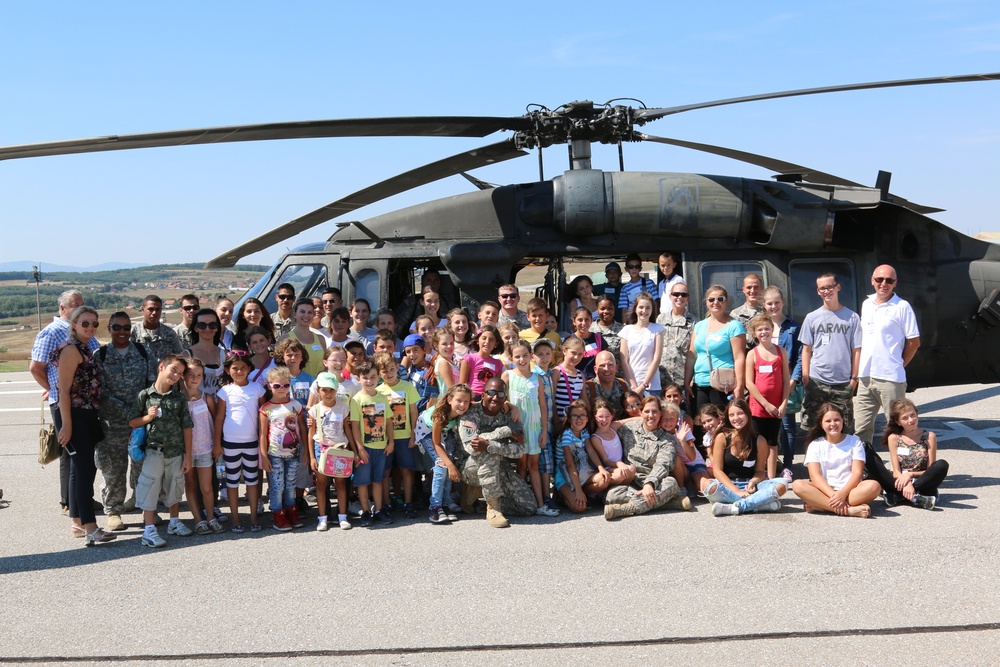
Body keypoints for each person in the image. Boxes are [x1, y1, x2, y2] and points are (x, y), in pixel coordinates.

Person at [53, 305, 116, 545]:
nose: (90, 327)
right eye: (85, 323)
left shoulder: (87, 347)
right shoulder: (71, 350)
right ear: (74, 325)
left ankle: (78, 522)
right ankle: (91, 528)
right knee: (84, 470)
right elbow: (64, 391)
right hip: (74, 415)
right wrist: (66, 426)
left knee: (82, 469)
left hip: (87, 414)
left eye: (94, 323)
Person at [128, 354, 195, 547]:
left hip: (175, 452)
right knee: (150, 487)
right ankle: (149, 530)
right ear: (161, 367)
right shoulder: (145, 395)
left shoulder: (179, 398)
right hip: (153, 451)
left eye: (180, 373)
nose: (176, 375)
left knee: (175, 485)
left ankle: (174, 522)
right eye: (173, 369)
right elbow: (133, 421)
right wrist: (147, 418)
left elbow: (187, 426)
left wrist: (187, 456)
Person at [96, 311, 154, 532]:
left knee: (142, 466)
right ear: (109, 329)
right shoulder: (99, 355)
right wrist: (127, 410)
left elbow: (152, 383)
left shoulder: (143, 352)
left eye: (126, 328)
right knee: (113, 470)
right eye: (117, 327)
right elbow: (100, 390)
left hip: (140, 422)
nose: (122, 332)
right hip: (112, 424)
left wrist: (141, 411)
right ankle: (113, 511)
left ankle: (143, 507)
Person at [853, 264, 921, 447]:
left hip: (890, 378)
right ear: (872, 281)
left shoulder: (902, 307)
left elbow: (914, 342)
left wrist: (899, 364)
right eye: (879, 279)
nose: (884, 283)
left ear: (895, 283)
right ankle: (864, 466)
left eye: (889, 280)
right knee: (861, 428)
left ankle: (900, 469)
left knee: (897, 427)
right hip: (866, 377)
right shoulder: (867, 304)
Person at [458, 378, 537, 528]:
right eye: (491, 392)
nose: (495, 397)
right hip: (469, 467)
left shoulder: (510, 416)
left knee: (528, 507)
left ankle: (478, 495)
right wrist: (504, 432)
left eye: (500, 394)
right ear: (483, 395)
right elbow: (471, 447)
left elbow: (519, 450)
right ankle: (493, 508)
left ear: (505, 398)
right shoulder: (470, 414)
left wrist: (490, 444)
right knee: (489, 454)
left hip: (500, 467)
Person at [791, 402, 882, 518]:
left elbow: (857, 473)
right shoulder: (815, 445)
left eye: (837, 420)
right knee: (797, 485)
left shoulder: (854, 442)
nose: (833, 424)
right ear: (821, 424)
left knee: (874, 486)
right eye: (828, 421)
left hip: (850, 491)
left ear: (843, 421)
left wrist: (842, 493)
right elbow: (815, 476)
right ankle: (849, 510)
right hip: (823, 491)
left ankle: (820, 506)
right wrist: (834, 495)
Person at [603, 397, 685, 519]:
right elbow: (612, 426)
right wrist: (638, 418)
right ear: (640, 412)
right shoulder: (629, 428)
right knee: (612, 495)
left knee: (671, 483)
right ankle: (666, 503)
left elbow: (663, 464)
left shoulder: (667, 439)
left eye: (655, 412)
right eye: (647, 411)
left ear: (660, 413)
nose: (651, 415)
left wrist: (649, 484)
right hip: (631, 483)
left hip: (655, 483)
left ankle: (627, 508)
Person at [799, 273, 862, 432]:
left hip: (842, 382)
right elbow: (806, 349)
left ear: (838, 287)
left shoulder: (852, 317)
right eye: (822, 288)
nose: (826, 291)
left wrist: (854, 380)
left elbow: (857, 350)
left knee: (842, 429)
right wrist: (806, 377)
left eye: (829, 287)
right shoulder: (812, 318)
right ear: (818, 292)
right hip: (817, 381)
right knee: (813, 429)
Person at [705, 399, 788, 516]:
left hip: (750, 486)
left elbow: (759, 471)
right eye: (732, 415)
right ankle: (759, 505)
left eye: (740, 413)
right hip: (728, 486)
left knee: (782, 484)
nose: (736, 418)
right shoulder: (722, 437)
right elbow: (717, 470)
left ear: (748, 414)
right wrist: (737, 491)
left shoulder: (759, 440)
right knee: (707, 485)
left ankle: (737, 507)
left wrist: (753, 482)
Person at [213, 351, 267, 532]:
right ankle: (235, 519)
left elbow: (264, 416)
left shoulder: (257, 389)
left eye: (244, 368)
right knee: (232, 481)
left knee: (252, 481)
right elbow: (219, 418)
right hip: (230, 443)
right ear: (228, 370)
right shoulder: (224, 391)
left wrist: (263, 443)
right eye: (235, 368)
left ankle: (253, 518)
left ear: (249, 369)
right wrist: (217, 443)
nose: (239, 371)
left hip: (252, 442)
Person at [866, 399, 947, 509]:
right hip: (899, 481)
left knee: (942, 464)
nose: (911, 420)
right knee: (867, 452)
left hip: (922, 481)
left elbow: (930, 469)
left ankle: (899, 496)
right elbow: (896, 471)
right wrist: (906, 483)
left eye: (913, 415)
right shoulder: (894, 438)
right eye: (905, 418)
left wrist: (910, 475)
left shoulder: (929, 436)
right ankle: (916, 498)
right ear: (898, 422)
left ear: (917, 414)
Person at [502, 340, 552, 517]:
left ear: (531, 356)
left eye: (525, 355)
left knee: (534, 465)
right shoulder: (508, 376)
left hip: (535, 427)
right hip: (519, 428)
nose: (521, 359)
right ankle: (521, 502)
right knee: (521, 465)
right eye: (517, 356)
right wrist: (512, 407)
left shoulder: (536, 378)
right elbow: (501, 400)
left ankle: (540, 504)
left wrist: (544, 430)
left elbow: (543, 406)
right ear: (511, 358)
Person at [415, 383, 473, 524]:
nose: (463, 405)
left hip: (445, 433)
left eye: (466, 401)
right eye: (459, 401)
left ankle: (445, 505)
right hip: (427, 433)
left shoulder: (464, 408)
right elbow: (436, 444)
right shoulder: (440, 416)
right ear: (449, 400)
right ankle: (434, 507)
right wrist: (450, 465)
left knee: (449, 466)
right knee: (442, 465)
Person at [259, 366, 308, 531]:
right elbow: (262, 434)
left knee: (290, 485)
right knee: (277, 485)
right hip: (274, 455)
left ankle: (291, 511)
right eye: (277, 386)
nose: (282, 389)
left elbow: (302, 429)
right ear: (269, 386)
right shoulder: (266, 409)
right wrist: (264, 457)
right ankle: (278, 515)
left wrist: (306, 451)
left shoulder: (296, 406)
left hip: (293, 454)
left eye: (286, 385)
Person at [308, 371, 357, 531]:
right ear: (318, 391)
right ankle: (322, 518)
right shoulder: (315, 410)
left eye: (331, 390)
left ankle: (342, 516)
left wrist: (354, 451)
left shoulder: (343, 408)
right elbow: (311, 435)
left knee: (341, 483)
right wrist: (311, 458)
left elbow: (348, 431)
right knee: (321, 485)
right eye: (324, 390)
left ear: (336, 390)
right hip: (321, 449)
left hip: (340, 450)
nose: (328, 394)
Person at [761, 286, 802, 480]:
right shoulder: (761, 326)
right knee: (765, 426)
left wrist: (794, 380)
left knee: (787, 426)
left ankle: (787, 466)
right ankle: (766, 464)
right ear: (764, 305)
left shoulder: (793, 327)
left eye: (777, 302)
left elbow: (801, 356)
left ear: (783, 302)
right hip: (766, 385)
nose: (773, 306)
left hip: (788, 384)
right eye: (769, 303)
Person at [744, 312, 790, 479]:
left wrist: (783, 403)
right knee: (758, 443)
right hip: (758, 407)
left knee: (772, 443)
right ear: (755, 333)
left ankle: (771, 478)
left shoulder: (781, 352)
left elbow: (786, 380)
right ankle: (758, 475)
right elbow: (749, 383)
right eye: (760, 329)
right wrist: (765, 404)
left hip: (776, 407)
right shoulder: (752, 354)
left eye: (767, 328)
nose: (764, 332)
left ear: (772, 330)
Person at [181, 358, 225, 535]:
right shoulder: (178, 400)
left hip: (205, 449)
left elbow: (216, 422)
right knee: (190, 485)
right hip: (186, 452)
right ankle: (198, 520)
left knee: (207, 487)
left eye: (199, 375)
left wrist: (217, 445)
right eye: (191, 375)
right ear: (183, 376)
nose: (195, 378)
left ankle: (211, 517)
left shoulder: (207, 398)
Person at [375, 352, 421, 519]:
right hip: (385, 438)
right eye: (384, 371)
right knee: (385, 471)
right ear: (379, 373)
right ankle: (386, 503)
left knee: (406, 470)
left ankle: (408, 502)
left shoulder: (407, 387)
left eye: (392, 369)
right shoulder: (378, 390)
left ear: (397, 368)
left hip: (404, 435)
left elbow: (413, 411)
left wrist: (414, 433)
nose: (389, 373)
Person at [686, 285, 746, 411]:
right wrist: (686, 382)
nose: (716, 302)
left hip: (723, 384)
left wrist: (740, 386)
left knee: (722, 424)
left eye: (720, 299)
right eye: (711, 299)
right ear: (706, 302)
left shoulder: (734, 326)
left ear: (726, 301)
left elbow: (739, 357)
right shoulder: (699, 326)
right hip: (700, 383)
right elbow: (692, 355)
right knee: (701, 424)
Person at [349, 359, 395, 527]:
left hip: (381, 447)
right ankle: (366, 511)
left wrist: (391, 442)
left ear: (378, 378)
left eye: (373, 377)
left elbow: (389, 422)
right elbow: (354, 426)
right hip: (366, 449)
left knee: (378, 480)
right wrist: (360, 448)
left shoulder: (383, 398)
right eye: (365, 377)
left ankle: (379, 510)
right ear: (359, 378)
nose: (369, 381)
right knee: (362, 482)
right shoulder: (356, 400)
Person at [586, 399, 637, 495]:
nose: (604, 420)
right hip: (609, 467)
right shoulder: (596, 438)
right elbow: (605, 461)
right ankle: (602, 492)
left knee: (632, 469)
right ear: (594, 417)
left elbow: (628, 420)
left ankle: (615, 491)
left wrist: (643, 418)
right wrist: (619, 464)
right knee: (620, 475)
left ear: (612, 416)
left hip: (619, 466)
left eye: (607, 416)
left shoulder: (613, 427)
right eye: (600, 417)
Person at [555, 400, 597, 514]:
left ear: (587, 418)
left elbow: (591, 451)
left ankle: (581, 492)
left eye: (582, 416)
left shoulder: (584, 432)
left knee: (603, 479)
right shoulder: (567, 435)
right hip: (564, 473)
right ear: (569, 419)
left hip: (580, 469)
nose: (579, 419)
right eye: (575, 416)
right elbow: (569, 464)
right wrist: (578, 490)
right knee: (579, 508)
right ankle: (564, 495)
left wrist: (601, 468)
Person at [619, 292, 666, 396]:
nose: (644, 311)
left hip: (651, 387)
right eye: (641, 307)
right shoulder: (626, 330)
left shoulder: (657, 329)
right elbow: (624, 359)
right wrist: (633, 386)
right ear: (635, 308)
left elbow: (656, 359)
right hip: (631, 386)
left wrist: (643, 385)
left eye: (648, 308)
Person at [656, 281, 695, 390]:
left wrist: (691, 379)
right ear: (670, 296)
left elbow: (695, 352)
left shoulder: (694, 322)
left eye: (684, 295)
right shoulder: (661, 319)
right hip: (662, 377)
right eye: (676, 294)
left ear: (688, 298)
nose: (679, 297)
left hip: (682, 380)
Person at [182, 308, 227, 397]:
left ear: (217, 328)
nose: (207, 329)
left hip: (222, 407)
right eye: (202, 325)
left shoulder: (225, 355)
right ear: (196, 328)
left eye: (212, 325)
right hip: (197, 407)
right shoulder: (186, 355)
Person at [131, 294, 182, 366]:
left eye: (157, 309)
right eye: (150, 309)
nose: (154, 313)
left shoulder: (170, 334)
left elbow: (179, 359)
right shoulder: (133, 332)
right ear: (143, 310)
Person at [284, 297, 327, 378]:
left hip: (318, 387)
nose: (306, 315)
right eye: (302, 312)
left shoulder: (321, 339)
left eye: (310, 312)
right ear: (294, 313)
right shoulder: (285, 338)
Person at [459, 325, 503, 400]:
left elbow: (496, 386)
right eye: (484, 338)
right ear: (477, 341)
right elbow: (462, 385)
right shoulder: (469, 359)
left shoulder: (498, 364)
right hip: (473, 397)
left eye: (491, 340)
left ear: (496, 344)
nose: (487, 342)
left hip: (489, 398)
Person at [552, 336, 588, 424]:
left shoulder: (580, 375)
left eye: (580, 354)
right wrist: (556, 422)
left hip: (575, 423)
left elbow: (584, 399)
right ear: (564, 351)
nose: (576, 357)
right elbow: (551, 400)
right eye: (573, 353)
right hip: (561, 422)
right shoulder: (556, 372)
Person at [585, 351, 628, 418]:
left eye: (610, 365)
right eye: (602, 365)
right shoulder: (588, 388)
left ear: (616, 368)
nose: (607, 369)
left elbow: (635, 411)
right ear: (595, 369)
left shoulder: (623, 385)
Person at [617, 254, 656, 324]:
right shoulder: (625, 288)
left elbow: (656, 303)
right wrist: (625, 324)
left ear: (640, 268)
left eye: (636, 267)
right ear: (626, 269)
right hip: (632, 323)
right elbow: (624, 309)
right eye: (631, 267)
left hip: (648, 321)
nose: (634, 269)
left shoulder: (649, 283)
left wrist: (655, 320)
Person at [570, 307, 606, 380]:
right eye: (580, 320)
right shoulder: (569, 340)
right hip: (575, 382)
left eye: (587, 320)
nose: (584, 323)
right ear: (574, 321)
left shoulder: (598, 338)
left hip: (595, 382)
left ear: (591, 320)